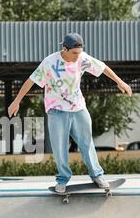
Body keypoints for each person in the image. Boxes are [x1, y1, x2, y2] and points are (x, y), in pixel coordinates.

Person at [8, 32, 132, 193]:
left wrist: (120, 81)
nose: (76, 57)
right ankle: (62, 179)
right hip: (56, 110)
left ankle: (97, 175)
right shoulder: (49, 62)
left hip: (78, 108)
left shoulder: (82, 58)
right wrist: (17, 100)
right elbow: (31, 81)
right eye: (73, 53)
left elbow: (102, 68)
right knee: (59, 148)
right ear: (64, 49)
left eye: (79, 53)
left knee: (87, 143)